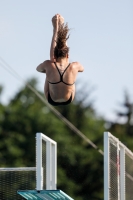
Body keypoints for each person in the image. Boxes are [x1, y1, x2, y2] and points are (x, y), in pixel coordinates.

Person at [36, 14, 84, 106]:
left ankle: (56, 29)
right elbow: (82, 69)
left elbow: (38, 69)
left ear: (55, 54)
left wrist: (49, 68)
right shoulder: (75, 65)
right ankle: (59, 28)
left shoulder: (48, 64)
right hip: (69, 98)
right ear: (67, 55)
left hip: (52, 99)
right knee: (67, 68)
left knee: (51, 65)